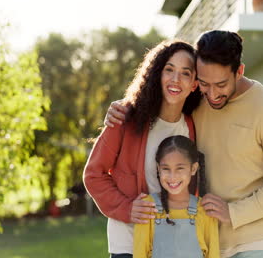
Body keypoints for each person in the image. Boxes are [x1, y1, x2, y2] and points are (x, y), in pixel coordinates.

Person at [105, 30, 263, 258]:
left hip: (254, 241)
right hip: (203, 240)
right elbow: (159, 105)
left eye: (221, 84)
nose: (212, 94)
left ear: (239, 71)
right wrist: (124, 108)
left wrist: (234, 212)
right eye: (204, 83)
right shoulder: (196, 103)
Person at [83, 40, 202, 258]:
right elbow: (94, 174)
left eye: (186, 73)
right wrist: (126, 208)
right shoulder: (125, 117)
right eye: (169, 70)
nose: (176, 79)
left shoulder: (193, 125)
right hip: (128, 241)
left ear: (194, 84)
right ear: (157, 74)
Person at [133, 135, 219, 258]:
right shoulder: (148, 207)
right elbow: (139, 254)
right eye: (166, 169)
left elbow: (213, 254)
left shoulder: (205, 210)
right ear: (158, 169)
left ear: (193, 168)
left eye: (180, 168)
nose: (172, 177)